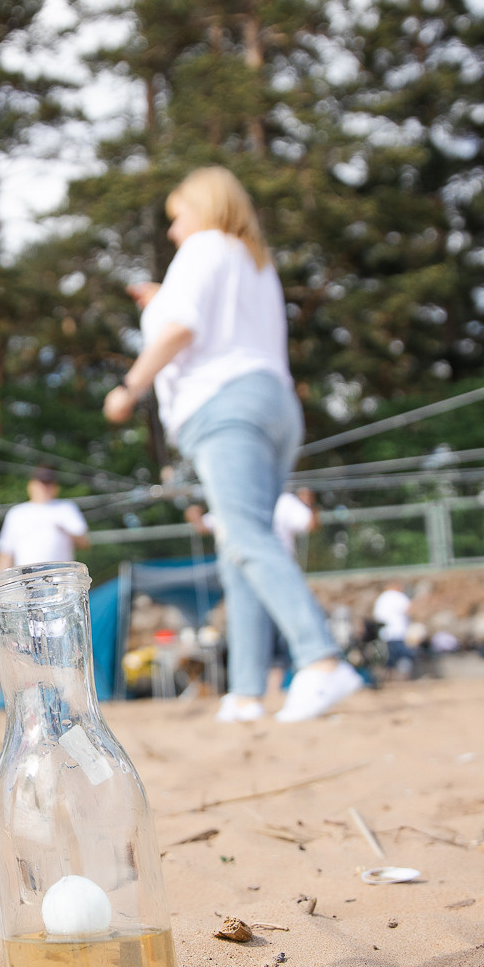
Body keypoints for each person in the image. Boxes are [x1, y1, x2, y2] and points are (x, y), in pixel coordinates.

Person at [106, 167, 360, 724]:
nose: (174, 232)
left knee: (244, 538)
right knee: (240, 549)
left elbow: (180, 331)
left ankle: (320, 662)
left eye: (177, 218)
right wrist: (161, 302)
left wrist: (129, 388)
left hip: (226, 407)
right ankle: (245, 693)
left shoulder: (203, 248)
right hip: (273, 403)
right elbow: (212, 322)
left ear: (203, 209)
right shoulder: (254, 262)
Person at [185, 486, 320, 714]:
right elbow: (203, 527)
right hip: (242, 580)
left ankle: (281, 690)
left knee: (279, 641)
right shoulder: (232, 499)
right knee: (248, 636)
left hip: (276, 579)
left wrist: (308, 504)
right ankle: (248, 696)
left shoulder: (281, 501)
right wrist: (194, 515)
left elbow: (310, 523)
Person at [0, 467, 90, 570]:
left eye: (48, 483)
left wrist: (63, 529)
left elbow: (84, 543)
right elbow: (6, 552)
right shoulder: (16, 513)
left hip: (61, 576)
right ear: (31, 485)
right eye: (41, 483)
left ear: (56, 487)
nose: (45, 488)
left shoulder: (66, 508)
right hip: (27, 579)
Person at [371, 580, 414, 678]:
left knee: (388, 659)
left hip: (385, 633)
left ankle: (389, 679)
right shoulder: (399, 597)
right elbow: (409, 610)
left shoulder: (382, 598)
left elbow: (377, 616)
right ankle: (404, 678)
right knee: (403, 657)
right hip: (399, 632)